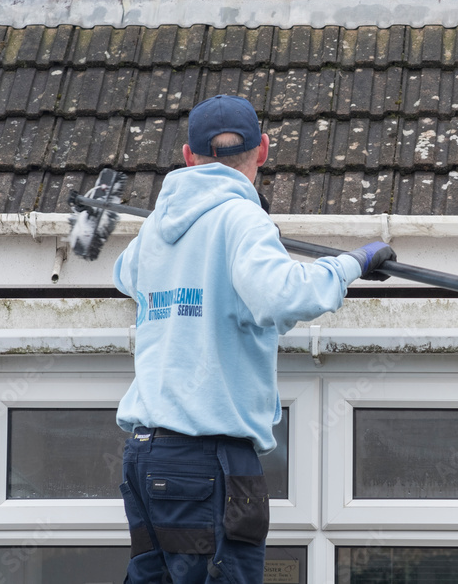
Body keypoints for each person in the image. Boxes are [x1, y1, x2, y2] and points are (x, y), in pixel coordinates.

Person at [113, 94, 395, 583]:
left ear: (187, 156)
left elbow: (126, 276)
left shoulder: (157, 227)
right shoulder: (242, 220)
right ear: (262, 150)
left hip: (146, 457)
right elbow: (283, 297)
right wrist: (352, 264)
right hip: (205, 463)